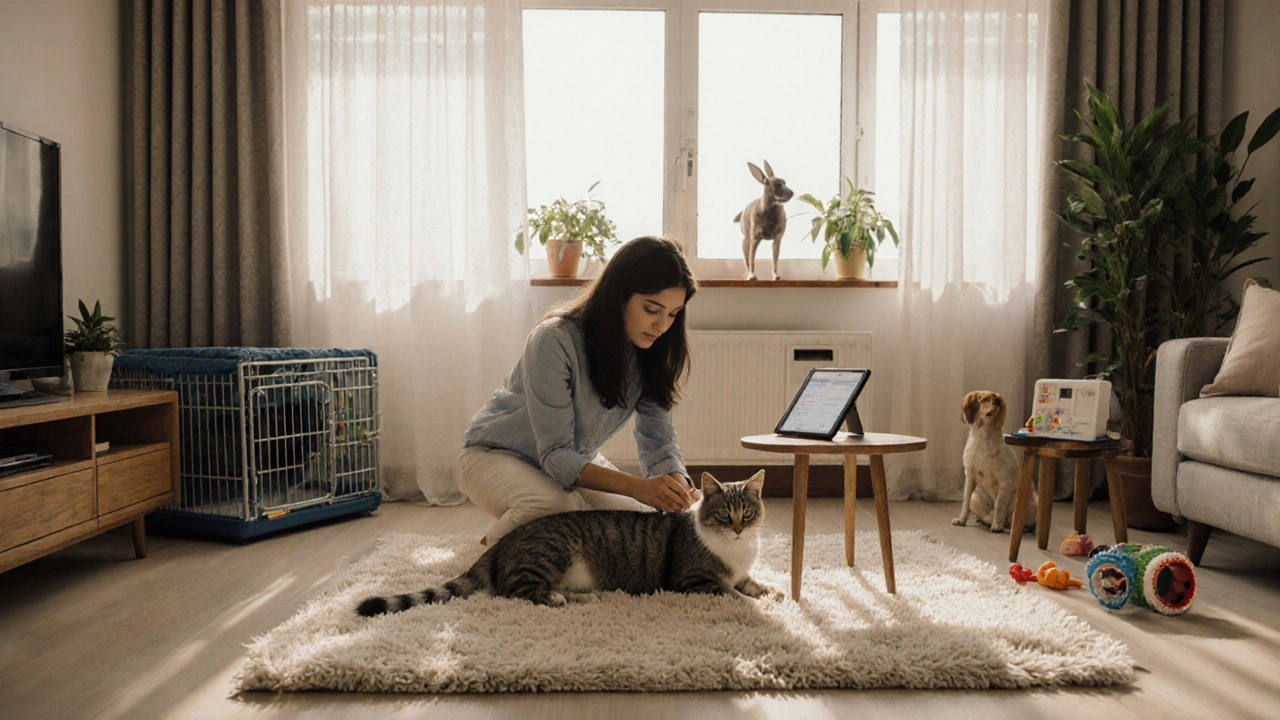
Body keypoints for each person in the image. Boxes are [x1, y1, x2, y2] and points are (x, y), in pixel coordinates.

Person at [460, 236, 700, 542]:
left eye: (673, 314)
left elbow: (659, 442)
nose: (662, 326)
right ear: (619, 295)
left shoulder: (652, 351)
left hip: (573, 462)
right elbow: (556, 454)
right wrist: (638, 487)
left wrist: (678, 489)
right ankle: (496, 551)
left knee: (641, 525)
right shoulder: (553, 339)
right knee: (555, 505)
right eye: (652, 309)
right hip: (494, 456)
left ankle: (520, 527)